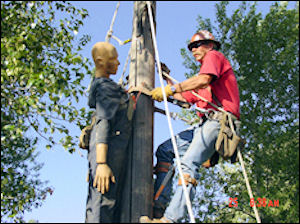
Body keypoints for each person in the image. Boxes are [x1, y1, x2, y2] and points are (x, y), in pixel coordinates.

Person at [140, 30, 240, 223]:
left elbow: (201, 80)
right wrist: (166, 80)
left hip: (219, 122)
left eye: (197, 45)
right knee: (166, 151)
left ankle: (171, 218)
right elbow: (184, 98)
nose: (194, 50)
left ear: (210, 45)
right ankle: (159, 206)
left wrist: (171, 88)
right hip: (205, 125)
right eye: (191, 47)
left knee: (188, 163)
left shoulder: (214, 57)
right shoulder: (204, 80)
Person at [85, 42, 134, 223]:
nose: (118, 63)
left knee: (106, 204)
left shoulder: (104, 87)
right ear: (100, 62)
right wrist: (101, 163)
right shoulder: (106, 88)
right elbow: (103, 123)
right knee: (103, 205)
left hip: (112, 153)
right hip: (109, 154)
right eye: (113, 59)